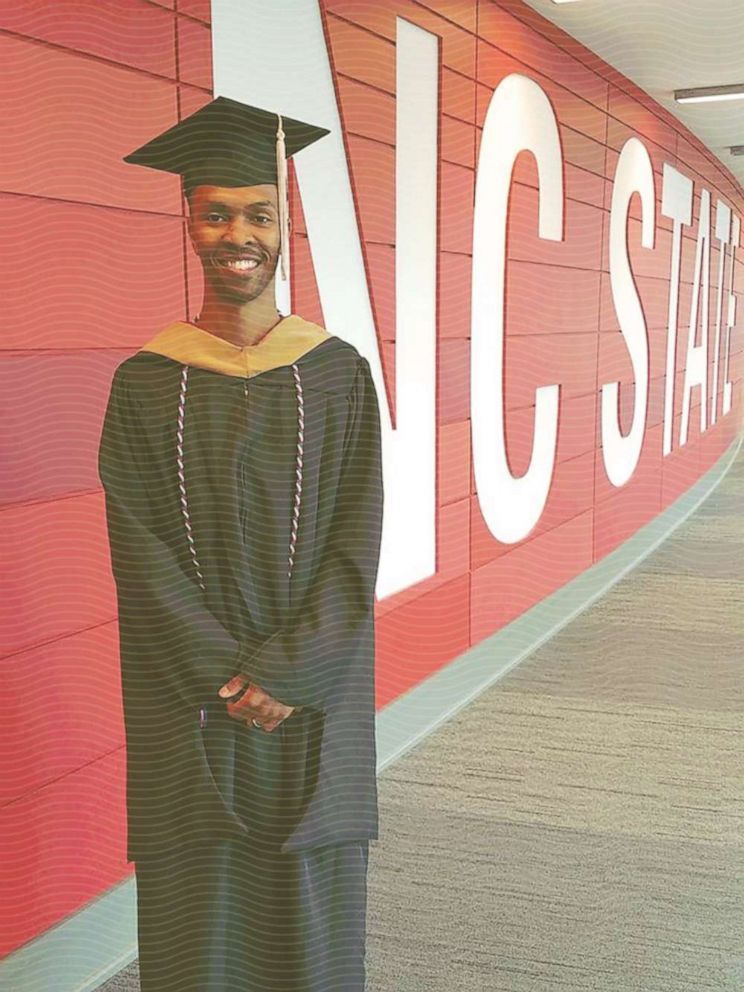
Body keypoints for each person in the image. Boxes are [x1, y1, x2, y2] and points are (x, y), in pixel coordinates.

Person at [97, 96, 385, 992]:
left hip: (312, 698)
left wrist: (289, 674)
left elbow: (357, 536)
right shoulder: (144, 383)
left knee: (310, 922)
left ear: (286, 221)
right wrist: (230, 676)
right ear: (187, 218)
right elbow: (135, 546)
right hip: (194, 702)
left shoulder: (339, 376)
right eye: (216, 211)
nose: (238, 233)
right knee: (199, 923)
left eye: (258, 213)